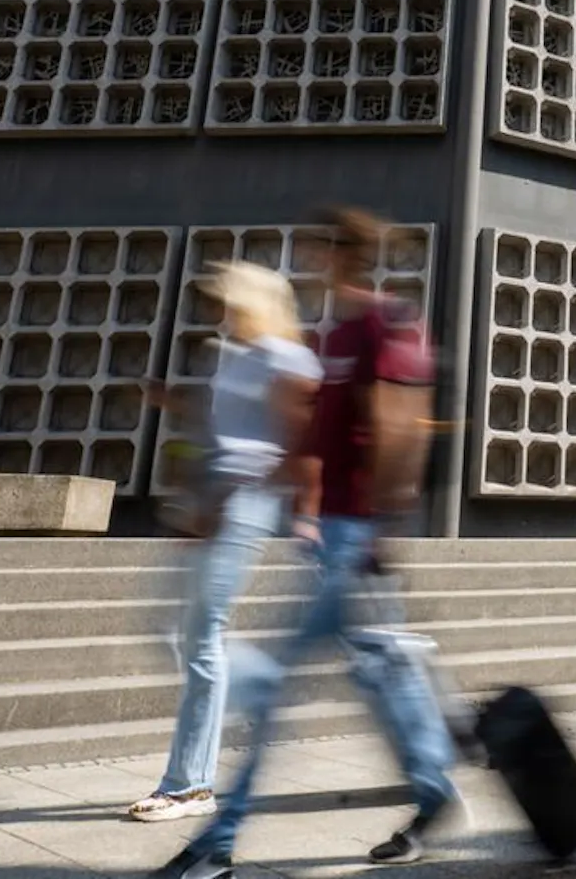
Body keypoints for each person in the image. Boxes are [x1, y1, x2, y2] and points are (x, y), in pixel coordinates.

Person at [155, 207, 460, 879]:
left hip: (356, 539)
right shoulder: (332, 336)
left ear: (343, 253)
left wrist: (378, 528)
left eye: (316, 247)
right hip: (333, 537)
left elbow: (405, 429)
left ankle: (217, 844)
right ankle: (437, 786)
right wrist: (246, 498)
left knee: (276, 682)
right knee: (382, 673)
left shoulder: (387, 323)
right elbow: (301, 444)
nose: (307, 258)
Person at [130, 263, 321, 822]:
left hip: (241, 505)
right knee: (168, 632)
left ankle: (188, 785)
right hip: (210, 500)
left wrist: (284, 508)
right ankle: (263, 691)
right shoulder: (234, 358)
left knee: (202, 637)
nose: (222, 314)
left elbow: (296, 442)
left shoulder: (290, 360)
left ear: (256, 304)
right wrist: (175, 405)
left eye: (230, 304)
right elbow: (227, 429)